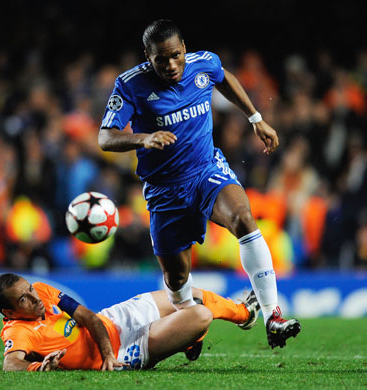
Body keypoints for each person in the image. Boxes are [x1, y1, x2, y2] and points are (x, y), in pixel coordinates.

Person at [98, 19, 300, 349]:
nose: (171, 64)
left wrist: (256, 118)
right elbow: (105, 137)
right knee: (176, 277)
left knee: (244, 219)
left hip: (205, 171)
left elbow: (224, 78)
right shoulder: (130, 84)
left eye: (176, 55)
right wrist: (143, 138)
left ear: (184, 49)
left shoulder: (203, 63)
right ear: (147, 56)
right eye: (161, 59)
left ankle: (272, 315)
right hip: (164, 189)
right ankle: (191, 325)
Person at [0, 273, 260, 371]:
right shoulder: (18, 330)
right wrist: (37, 367)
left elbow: (87, 316)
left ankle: (243, 314)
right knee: (201, 315)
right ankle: (190, 336)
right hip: (124, 351)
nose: (33, 298)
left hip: (112, 319)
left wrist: (104, 347)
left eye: (29, 290)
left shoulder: (42, 291)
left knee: (185, 295)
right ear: (9, 312)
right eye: (23, 299)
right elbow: (10, 362)